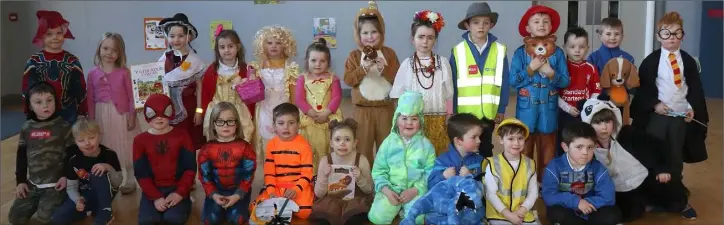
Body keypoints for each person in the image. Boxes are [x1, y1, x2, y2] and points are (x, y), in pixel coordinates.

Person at [629, 11, 707, 220]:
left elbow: (694, 88)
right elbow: (642, 88)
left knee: (674, 158)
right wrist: (654, 104)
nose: (671, 37)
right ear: (658, 36)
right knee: (654, 155)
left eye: (676, 33)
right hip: (657, 117)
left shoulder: (688, 62)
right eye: (666, 33)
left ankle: (677, 200)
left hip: (679, 117)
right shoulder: (651, 61)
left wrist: (691, 107)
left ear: (683, 35)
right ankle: (650, 197)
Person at [510, 5, 570, 181]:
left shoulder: (558, 53)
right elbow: (513, 80)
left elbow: (565, 81)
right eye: (536, 21)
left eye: (546, 22)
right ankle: (524, 183)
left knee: (548, 149)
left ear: (552, 26)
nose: (541, 25)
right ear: (528, 28)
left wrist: (551, 73)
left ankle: (547, 184)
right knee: (524, 148)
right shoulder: (520, 53)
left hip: (549, 109)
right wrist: (530, 69)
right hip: (526, 109)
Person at [343, 0, 401, 167]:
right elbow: (348, 79)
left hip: (386, 109)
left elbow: (398, 79)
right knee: (363, 148)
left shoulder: (389, 54)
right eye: (365, 33)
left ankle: (387, 181)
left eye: (374, 32)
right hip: (362, 110)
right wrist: (362, 70)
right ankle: (365, 183)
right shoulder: (354, 56)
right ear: (358, 35)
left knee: (387, 148)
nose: (369, 37)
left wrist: (385, 69)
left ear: (381, 32)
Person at [450, 2, 511, 158]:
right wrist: (453, 110)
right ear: (467, 25)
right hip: (465, 112)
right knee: (464, 148)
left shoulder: (499, 49)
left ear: (491, 25)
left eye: (485, 22)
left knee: (485, 147)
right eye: (476, 22)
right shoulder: (458, 51)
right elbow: (452, 84)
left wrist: (501, 108)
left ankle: (485, 178)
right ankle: (464, 180)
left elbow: (504, 81)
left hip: (488, 112)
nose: (481, 27)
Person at [390, 9, 453, 155]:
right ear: (413, 39)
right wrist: (403, 120)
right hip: (414, 120)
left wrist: (449, 115)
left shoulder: (442, 63)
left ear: (435, 40)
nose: (425, 42)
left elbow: (449, 93)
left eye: (430, 37)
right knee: (416, 156)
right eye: (421, 37)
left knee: (438, 154)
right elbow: (397, 96)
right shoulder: (407, 64)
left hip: (439, 119)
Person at [368, 91, 436, 225]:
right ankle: (395, 207)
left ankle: (406, 209)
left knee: (417, 219)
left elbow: (431, 173)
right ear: (396, 120)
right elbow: (378, 171)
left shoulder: (426, 146)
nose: (409, 123)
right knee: (377, 218)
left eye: (414, 119)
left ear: (421, 121)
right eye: (404, 118)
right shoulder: (388, 143)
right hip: (391, 189)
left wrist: (416, 190)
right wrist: (386, 191)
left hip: (415, 190)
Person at [9, 82, 72, 225]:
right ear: (30, 106)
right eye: (38, 102)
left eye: (49, 100)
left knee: (46, 219)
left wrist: (67, 176)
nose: (45, 105)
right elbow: (21, 156)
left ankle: (67, 200)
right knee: (15, 219)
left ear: (55, 101)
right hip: (33, 184)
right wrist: (20, 182)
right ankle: (39, 202)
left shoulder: (63, 126)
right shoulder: (27, 128)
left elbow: (72, 155)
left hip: (56, 185)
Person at [580, 94, 648, 222]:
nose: (604, 127)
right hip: (611, 192)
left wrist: (662, 168)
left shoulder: (626, 135)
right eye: (598, 123)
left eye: (608, 121)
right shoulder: (587, 150)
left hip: (639, 183)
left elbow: (652, 150)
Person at [86, 32, 140, 194]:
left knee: (126, 147)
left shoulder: (124, 73)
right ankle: (113, 178)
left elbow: (132, 96)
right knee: (108, 146)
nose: (109, 53)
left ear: (120, 53)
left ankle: (130, 179)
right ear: (99, 49)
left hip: (121, 115)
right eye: (106, 48)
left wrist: (132, 115)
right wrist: (91, 119)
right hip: (102, 115)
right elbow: (90, 98)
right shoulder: (92, 73)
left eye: (114, 50)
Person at [133, 94, 196, 225]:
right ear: (146, 114)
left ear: (171, 112)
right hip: (153, 188)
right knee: (147, 221)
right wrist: (155, 197)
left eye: (164, 112)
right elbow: (141, 173)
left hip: (177, 187)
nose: (159, 117)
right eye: (153, 113)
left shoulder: (182, 135)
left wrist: (180, 193)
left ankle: (186, 200)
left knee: (173, 219)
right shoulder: (140, 141)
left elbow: (190, 168)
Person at [542, 121, 621, 225]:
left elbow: (608, 197)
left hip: (591, 209)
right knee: (555, 212)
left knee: (614, 214)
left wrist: (586, 204)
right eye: (579, 147)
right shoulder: (554, 167)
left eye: (590, 147)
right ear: (565, 147)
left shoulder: (598, 168)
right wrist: (576, 202)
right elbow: (549, 196)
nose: (585, 152)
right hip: (568, 209)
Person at [51, 118, 123, 225]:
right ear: (75, 141)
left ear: (99, 136)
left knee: (96, 171)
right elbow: (71, 187)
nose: (87, 143)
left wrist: (108, 167)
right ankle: (89, 210)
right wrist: (78, 200)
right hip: (84, 195)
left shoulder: (109, 154)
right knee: (57, 218)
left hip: (105, 194)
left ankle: (106, 211)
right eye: (81, 140)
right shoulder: (73, 159)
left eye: (91, 138)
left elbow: (118, 182)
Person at [249, 103, 314, 220]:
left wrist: (296, 189)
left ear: (298, 125)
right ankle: (282, 207)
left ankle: (284, 209)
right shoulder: (271, 145)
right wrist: (271, 190)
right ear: (274, 126)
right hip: (277, 187)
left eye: (291, 123)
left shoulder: (304, 146)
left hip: (297, 187)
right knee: (254, 208)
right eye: (281, 123)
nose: (286, 127)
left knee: (305, 212)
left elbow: (307, 173)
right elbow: (269, 173)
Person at [22, 10, 87, 124]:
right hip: (41, 117)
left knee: (68, 141)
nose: (55, 37)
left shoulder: (72, 61)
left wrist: (82, 113)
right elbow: (27, 91)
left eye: (59, 33)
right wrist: (30, 114)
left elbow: (80, 89)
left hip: (69, 116)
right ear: (41, 36)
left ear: (64, 33)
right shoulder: (33, 62)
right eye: (49, 34)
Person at [198, 102, 257, 225]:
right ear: (213, 124)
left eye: (230, 121)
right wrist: (214, 195)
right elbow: (205, 176)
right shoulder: (206, 149)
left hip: (238, 191)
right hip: (216, 191)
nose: (225, 125)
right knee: (210, 220)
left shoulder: (245, 148)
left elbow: (248, 175)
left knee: (238, 220)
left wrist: (237, 196)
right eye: (220, 121)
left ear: (237, 123)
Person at [248, 25, 300, 162]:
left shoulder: (291, 67)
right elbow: (250, 93)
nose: (274, 46)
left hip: (284, 110)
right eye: (269, 43)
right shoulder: (256, 66)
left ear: (285, 45)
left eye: (278, 43)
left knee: (285, 143)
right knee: (267, 146)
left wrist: (295, 113)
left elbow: (294, 94)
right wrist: (251, 78)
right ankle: (269, 179)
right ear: (263, 45)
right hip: (264, 111)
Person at [309, 119, 374, 225]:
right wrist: (325, 177)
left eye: (347, 140)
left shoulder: (361, 160)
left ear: (355, 143)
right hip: (331, 203)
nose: (342, 143)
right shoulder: (325, 161)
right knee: (324, 217)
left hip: (354, 202)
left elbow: (369, 190)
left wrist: (360, 178)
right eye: (337, 139)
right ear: (331, 143)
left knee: (355, 216)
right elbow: (318, 194)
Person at [157, 13, 206, 149]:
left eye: (181, 36)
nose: (176, 40)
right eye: (172, 36)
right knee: (171, 145)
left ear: (188, 36)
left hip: (189, 108)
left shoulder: (195, 61)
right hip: (168, 108)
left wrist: (199, 111)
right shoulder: (164, 58)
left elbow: (199, 87)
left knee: (188, 144)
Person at [296, 38, 343, 176]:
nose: (318, 64)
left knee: (329, 147)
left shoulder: (333, 78)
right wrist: (312, 113)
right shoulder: (302, 78)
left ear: (328, 62)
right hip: (310, 120)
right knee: (311, 148)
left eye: (322, 61)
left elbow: (337, 97)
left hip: (329, 118)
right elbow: (299, 99)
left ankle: (331, 176)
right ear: (307, 61)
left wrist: (326, 113)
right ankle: (312, 176)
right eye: (313, 60)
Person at [200, 29, 254, 143]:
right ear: (217, 49)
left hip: (239, 113)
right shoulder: (212, 70)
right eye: (222, 47)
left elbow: (251, 98)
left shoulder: (245, 69)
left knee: (240, 142)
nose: (227, 50)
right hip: (217, 112)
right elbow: (205, 94)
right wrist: (202, 112)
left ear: (238, 47)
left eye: (230, 46)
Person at [484, 118, 539, 225]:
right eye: (511, 139)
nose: (516, 143)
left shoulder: (530, 164)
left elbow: (533, 192)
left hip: (522, 214)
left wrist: (522, 210)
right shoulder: (493, 164)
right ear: (500, 139)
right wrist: (509, 215)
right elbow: (491, 194)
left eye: (520, 138)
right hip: (499, 214)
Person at [557, 26, 601, 155]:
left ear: (587, 48)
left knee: (583, 141)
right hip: (564, 113)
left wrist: (588, 106)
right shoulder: (560, 68)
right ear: (564, 47)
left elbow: (596, 91)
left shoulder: (591, 68)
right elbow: (554, 94)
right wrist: (567, 108)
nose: (577, 50)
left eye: (581, 47)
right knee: (563, 142)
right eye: (572, 47)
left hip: (584, 114)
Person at [427, 113, 484, 189]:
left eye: (479, 137)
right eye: (474, 137)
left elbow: (484, 188)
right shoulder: (442, 161)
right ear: (458, 141)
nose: (479, 141)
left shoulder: (480, 161)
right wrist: (443, 176)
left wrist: (470, 177)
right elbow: (430, 186)